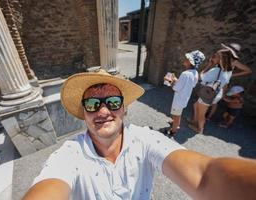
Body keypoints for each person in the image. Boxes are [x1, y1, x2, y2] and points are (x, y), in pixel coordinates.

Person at [23, 69, 256, 200]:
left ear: (124, 108)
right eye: (93, 104)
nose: (103, 111)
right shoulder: (69, 154)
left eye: (113, 102)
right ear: (84, 113)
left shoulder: (145, 139)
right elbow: (49, 187)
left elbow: (204, 175)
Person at [188, 50, 234, 133]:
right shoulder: (228, 71)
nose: (213, 57)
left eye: (215, 56)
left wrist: (209, 65)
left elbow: (200, 77)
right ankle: (194, 122)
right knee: (196, 106)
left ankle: (199, 129)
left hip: (207, 93)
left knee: (201, 113)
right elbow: (225, 84)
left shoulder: (216, 70)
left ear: (221, 59)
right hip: (214, 94)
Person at [205, 43, 252, 120]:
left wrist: (233, 75)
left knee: (214, 100)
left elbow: (248, 70)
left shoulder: (234, 62)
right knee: (209, 98)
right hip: (215, 80)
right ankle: (205, 115)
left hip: (221, 83)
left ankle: (207, 116)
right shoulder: (223, 58)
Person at [164, 50, 205, 136]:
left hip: (178, 99)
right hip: (184, 98)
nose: (185, 59)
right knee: (178, 113)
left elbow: (176, 88)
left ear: (190, 62)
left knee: (176, 115)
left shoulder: (185, 74)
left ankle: (173, 131)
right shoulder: (195, 73)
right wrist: (176, 80)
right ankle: (175, 123)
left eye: (187, 58)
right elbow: (190, 85)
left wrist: (170, 81)